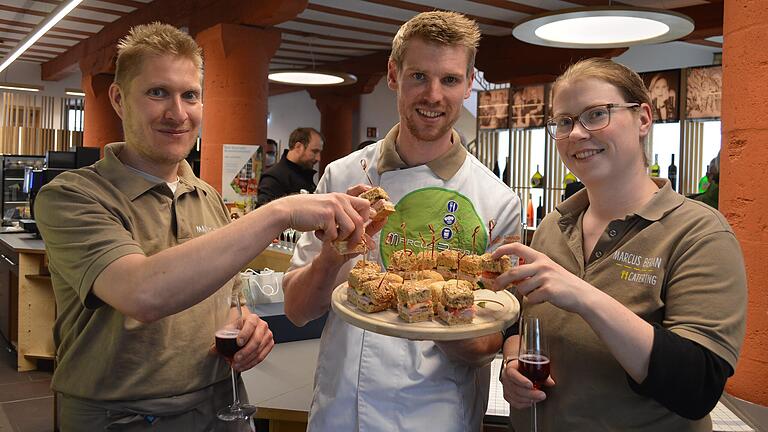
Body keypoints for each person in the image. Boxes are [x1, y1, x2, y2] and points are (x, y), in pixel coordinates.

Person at [34, 23, 371, 431]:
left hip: (220, 406)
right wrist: (279, 212)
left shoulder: (207, 196)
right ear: (119, 99)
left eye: (190, 95)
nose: (177, 113)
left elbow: (229, 300)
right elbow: (142, 292)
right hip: (120, 417)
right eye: (157, 92)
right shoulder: (73, 196)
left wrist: (249, 326)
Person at [282, 11, 521, 431]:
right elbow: (298, 310)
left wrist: (438, 304)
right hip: (339, 411)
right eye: (418, 77)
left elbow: (489, 340)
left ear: (468, 84)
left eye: (449, 80)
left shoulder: (496, 202)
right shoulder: (342, 176)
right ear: (393, 75)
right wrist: (334, 254)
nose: (433, 95)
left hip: (437, 415)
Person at [494, 58, 747, 431]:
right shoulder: (552, 227)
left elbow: (697, 387)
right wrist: (513, 362)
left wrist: (583, 295)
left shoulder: (699, 233)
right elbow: (521, 321)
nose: (577, 133)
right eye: (564, 121)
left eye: (596, 114)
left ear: (643, 118)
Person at [256, 127, 323, 207]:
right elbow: (263, 214)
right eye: (314, 151)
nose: (318, 158)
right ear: (298, 147)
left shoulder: (304, 174)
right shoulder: (273, 177)